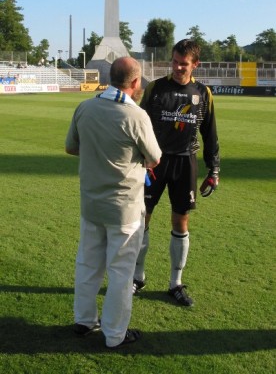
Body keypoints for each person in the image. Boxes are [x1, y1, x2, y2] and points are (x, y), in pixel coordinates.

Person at [65, 56, 161, 349]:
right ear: (135, 82)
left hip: (92, 204)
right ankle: (115, 334)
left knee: (88, 263)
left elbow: (71, 147)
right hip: (124, 209)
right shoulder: (136, 116)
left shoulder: (86, 107)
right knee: (120, 272)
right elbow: (155, 157)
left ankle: (83, 321)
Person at [133, 39, 220, 306]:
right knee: (142, 220)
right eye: (174, 62)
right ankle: (137, 277)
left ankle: (175, 283)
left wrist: (213, 169)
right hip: (154, 164)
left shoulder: (203, 93)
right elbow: (138, 123)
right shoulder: (157, 88)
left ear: (195, 64)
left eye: (184, 63)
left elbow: (210, 134)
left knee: (180, 222)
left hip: (186, 164)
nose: (178, 67)